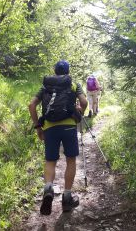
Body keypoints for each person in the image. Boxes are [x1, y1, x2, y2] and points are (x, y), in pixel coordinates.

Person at [28, 60, 88, 215]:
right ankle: (67, 198)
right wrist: (79, 112)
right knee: (71, 160)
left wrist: (37, 127)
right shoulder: (73, 84)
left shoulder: (45, 86)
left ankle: (48, 188)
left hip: (50, 127)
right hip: (69, 126)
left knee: (50, 161)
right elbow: (84, 101)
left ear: (54, 71)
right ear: (67, 72)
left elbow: (31, 105)